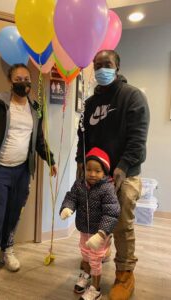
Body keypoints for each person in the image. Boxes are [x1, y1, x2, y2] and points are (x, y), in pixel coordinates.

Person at [0, 63, 57, 293]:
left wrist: (51, 159)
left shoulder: (35, 108)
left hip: (21, 172)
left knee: (13, 214)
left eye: (27, 78)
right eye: (18, 78)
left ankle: (6, 250)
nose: (24, 82)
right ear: (10, 81)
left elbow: (39, 141)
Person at [76, 50, 150, 300]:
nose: (101, 69)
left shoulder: (133, 97)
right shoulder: (89, 104)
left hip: (124, 172)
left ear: (117, 66)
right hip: (96, 173)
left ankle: (125, 273)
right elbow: (82, 138)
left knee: (121, 218)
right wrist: (80, 163)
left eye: (106, 64)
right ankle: (93, 258)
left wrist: (121, 169)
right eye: (97, 65)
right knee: (90, 214)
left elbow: (137, 142)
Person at [60, 147, 120, 300]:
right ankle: (86, 275)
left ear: (104, 172)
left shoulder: (107, 189)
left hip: (99, 234)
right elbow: (72, 197)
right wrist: (67, 207)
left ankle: (96, 288)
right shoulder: (80, 184)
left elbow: (111, 213)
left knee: (95, 259)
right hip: (84, 230)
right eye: (89, 169)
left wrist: (101, 234)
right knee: (85, 255)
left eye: (97, 171)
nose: (92, 174)